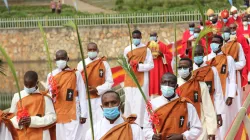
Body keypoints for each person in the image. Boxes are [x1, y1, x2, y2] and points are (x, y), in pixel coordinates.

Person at [143, 73, 202, 140]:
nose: (167, 85)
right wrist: (152, 136)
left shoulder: (186, 104)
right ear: (160, 86)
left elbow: (197, 128)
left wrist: (183, 136)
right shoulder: (152, 104)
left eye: (171, 83)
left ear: (176, 86)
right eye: (164, 82)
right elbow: (146, 128)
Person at [46, 50, 88, 140]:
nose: (60, 60)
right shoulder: (51, 75)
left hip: (73, 111)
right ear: (55, 60)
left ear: (67, 59)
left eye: (63, 58)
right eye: (58, 59)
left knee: (74, 137)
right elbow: (49, 94)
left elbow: (82, 93)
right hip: (58, 111)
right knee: (60, 137)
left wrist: (84, 114)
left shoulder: (76, 74)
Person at [203, 35, 237, 139]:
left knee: (223, 120)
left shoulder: (228, 59)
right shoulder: (206, 59)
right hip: (210, 93)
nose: (213, 44)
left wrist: (231, 95)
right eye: (212, 42)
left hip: (224, 92)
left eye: (216, 42)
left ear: (221, 44)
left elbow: (232, 78)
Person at [77, 42, 114, 136]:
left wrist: (97, 89)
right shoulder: (81, 64)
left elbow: (110, 82)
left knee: (101, 124)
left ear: (97, 51)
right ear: (87, 51)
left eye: (94, 50)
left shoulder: (104, 64)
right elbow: (78, 84)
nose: (92, 52)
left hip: (100, 100)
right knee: (87, 127)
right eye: (90, 50)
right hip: (86, 100)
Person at [177, 58, 217, 140]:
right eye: (180, 67)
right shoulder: (175, 85)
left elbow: (208, 108)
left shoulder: (200, 84)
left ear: (191, 69)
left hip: (200, 127)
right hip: (180, 128)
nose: (182, 70)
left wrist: (211, 131)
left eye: (184, 67)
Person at [10, 71, 57, 140]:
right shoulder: (17, 96)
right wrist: (19, 122)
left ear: (37, 83)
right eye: (26, 85)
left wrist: (32, 121)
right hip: (22, 134)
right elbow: (11, 117)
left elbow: (52, 117)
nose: (28, 87)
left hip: (41, 135)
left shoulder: (45, 97)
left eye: (31, 85)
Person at [123, 30, 154, 127]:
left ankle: (141, 124)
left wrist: (139, 66)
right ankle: (128, 122)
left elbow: (151, 65)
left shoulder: (146, 50)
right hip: (130, 78)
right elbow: (125, 64)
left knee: (141, 101)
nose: (136, 39)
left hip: (142, 79)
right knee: (129, 100)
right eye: (134, 37)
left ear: (141, 37)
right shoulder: (127, 49)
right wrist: (130, 66)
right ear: (132, 38)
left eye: (137, 37)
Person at [193, 45, 225, 130]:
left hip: (211, 107)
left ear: (203, 55)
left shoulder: (212, 70)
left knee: (213, 133)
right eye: (195, 54)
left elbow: (218, 92)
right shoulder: (190, 71)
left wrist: (219, 113)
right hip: (196, 109)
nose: (197, 56)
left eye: (199, 54)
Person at [222, 26, 246, 112]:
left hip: (235, 75)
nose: (225, 34)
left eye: (226, 31)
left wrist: (231, 67)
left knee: (236, 97)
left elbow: (242, 62)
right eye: (223, 32)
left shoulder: (237, 45)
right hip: (222, 76)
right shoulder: (219, 46)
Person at [148, 32, 173, 98]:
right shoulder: (147, 46)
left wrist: (162, 54)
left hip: (160, 68)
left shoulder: (162, 45)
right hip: (151, 69)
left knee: (160, 82)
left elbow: (170, 56)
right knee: (151, 84)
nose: (152, 37)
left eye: (153, 36)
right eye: (151, 36)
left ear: (157, 36)